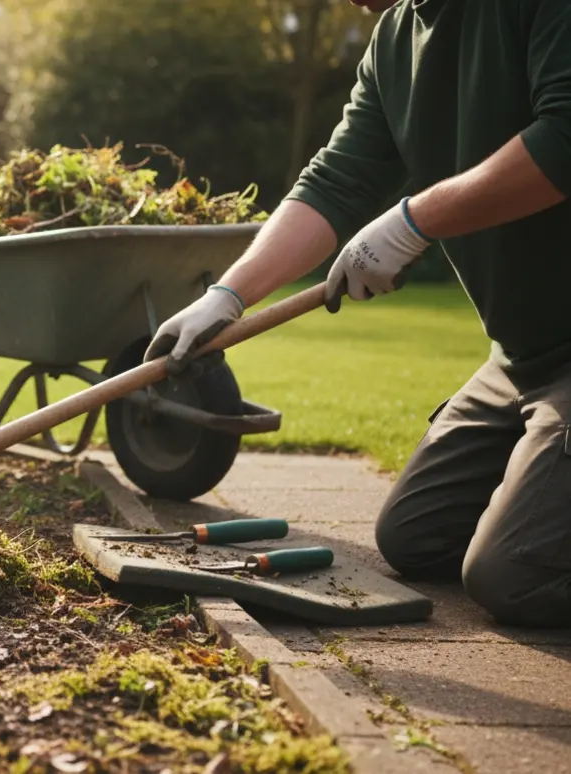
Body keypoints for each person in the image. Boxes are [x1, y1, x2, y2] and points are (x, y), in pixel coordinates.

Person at [142, 0, 571, 628]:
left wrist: (414, 221)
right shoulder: (395, 40)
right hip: (520, 360)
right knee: (416, 537)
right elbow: (336, 182)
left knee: (513, 575)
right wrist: (227, 296)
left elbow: (564, 138)